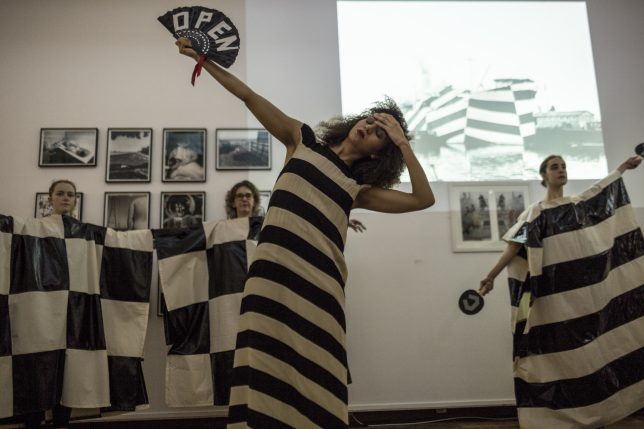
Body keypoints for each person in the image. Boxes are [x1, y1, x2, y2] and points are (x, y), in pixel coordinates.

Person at [175, 38, 435, 428]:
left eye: (382, 131)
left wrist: (403, 141)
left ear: (381, 152)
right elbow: (248, 95)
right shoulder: (302, 139)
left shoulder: (358, 189)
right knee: (263, 354)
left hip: (319, 286)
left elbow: (422, 199)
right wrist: (202, 59)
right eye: (372, 119)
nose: (371, 126)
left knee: (314, 365)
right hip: (271, 272)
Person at [479, 154, 641, 296]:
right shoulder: (536, 212)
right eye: (555, 167)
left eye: (564, 167)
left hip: (581, 283)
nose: (561, 170)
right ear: (544, 175)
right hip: (552, 287)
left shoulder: (576, 206)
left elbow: (599, 189)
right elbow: (514, 246)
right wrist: (491, 276)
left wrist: (624, 167)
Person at [21, 180, 77, 428]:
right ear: (50, 198)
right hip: (40, 310)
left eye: (70, 194)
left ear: (75, 200)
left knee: (66, 369)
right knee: (37, 365)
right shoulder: (34, 228)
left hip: (71, 311)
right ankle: (33, 421)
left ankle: (62, 422)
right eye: (60, 193)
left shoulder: (83, 232)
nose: (65, 198)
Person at [225, 179, 367, 231]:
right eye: (239, 196)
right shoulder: (223, 230)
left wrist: (339, 220)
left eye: (248, 195)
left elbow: (299, 221)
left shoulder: (265, 224)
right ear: (233, 202)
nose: (244, 199)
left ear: (254, 201)